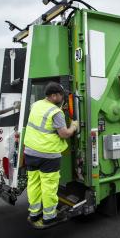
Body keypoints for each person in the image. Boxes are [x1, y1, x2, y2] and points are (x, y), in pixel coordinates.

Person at [23, 82, 78, 228]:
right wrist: (73, 126)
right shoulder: (56, 113)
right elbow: (64, 134)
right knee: (49, 186)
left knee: (33, 183)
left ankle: (34, 213)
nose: (62, 97)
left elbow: (44, 121)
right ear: (54, 96)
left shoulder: (37, 104)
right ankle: (49, 217)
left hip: (30, 152)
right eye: (61, 95)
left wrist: (60, 109)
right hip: (47, 155)